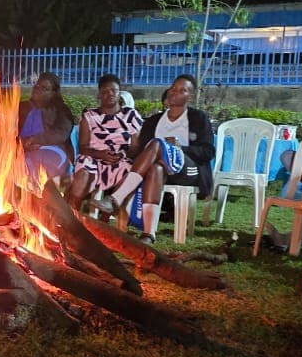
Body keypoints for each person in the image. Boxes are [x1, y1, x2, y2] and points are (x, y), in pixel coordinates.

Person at [92, 74, 215, 243]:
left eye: (182, 90)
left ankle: (116, 198)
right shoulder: (154, 121)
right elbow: (141, 151)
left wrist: (180, 147)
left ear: (191, 96)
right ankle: (148, 234)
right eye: (173, 88)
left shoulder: (198, 118)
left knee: (157, 144)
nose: (174, 92)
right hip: (158, 171)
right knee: (155, 167)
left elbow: (208, 151)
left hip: (188, 171)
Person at [67, 74, 143, 212]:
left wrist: (122, 154)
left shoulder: (131, 115)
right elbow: (83, 147)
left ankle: (109, 208)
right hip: (94, 158)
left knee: (131, 170)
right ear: (99, 95)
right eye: (105, 91)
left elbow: (136, 147)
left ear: (119, 93)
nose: (110, 94)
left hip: (121, 159)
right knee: (84, 171)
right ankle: (70, 213)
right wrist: (100, 154)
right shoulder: (89, 116)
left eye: (114, 90)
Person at [18, 71, 74, 184]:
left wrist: (35, 140)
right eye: (37, 85)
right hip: (22, 150)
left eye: (45, 88)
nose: (38, 89)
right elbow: (10, 130)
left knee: (35, 166)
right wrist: (23, 144)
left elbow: (61, 133)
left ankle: (39, 192)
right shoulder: (22, 107)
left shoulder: (60, 110)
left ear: (53, 93)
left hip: (52, 149)